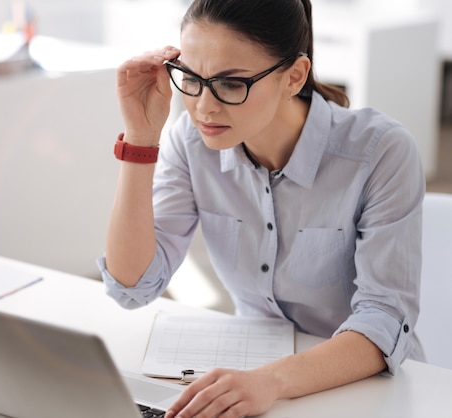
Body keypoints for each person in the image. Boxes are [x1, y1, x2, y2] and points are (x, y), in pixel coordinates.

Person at [97, 0, 425, 416]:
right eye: (192, 78)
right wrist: (141, 140)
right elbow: (133, 287)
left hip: (368, 390)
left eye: (231, 84)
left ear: (294, 76)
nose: (204, 106)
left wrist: (270, 381)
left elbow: (384, 323)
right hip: (254, 384)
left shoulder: (380, 152)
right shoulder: (191, 143)